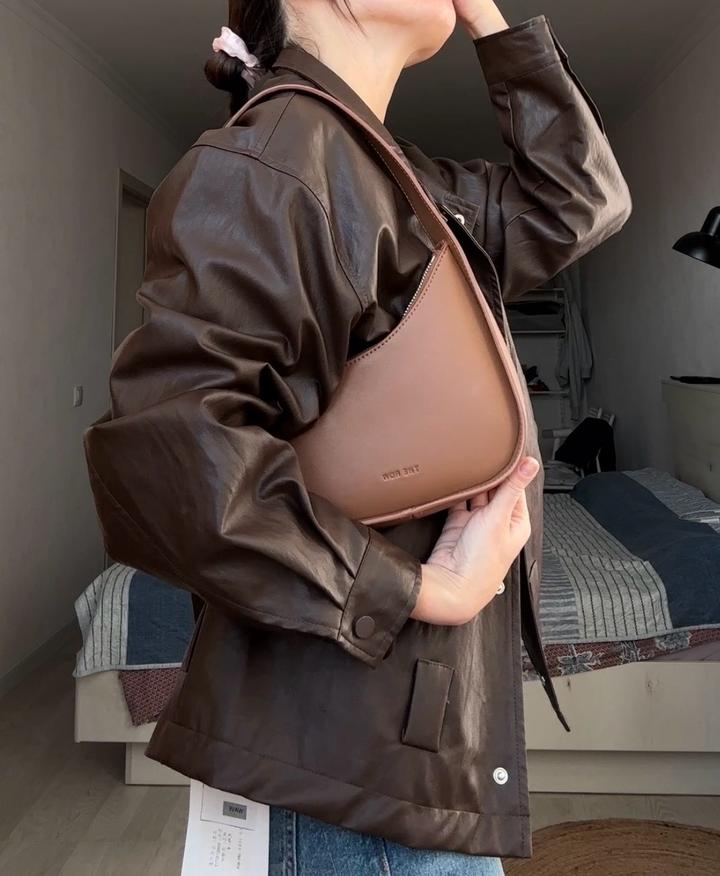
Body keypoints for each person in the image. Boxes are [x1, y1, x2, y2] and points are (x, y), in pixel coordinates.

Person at [82, 0, 632, 872]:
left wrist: (491, 21)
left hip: (390, 762)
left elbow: (577, 202)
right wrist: (417, 588)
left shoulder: (387, 176)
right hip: (348, 774)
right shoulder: (280, 157)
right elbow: (169, 459)